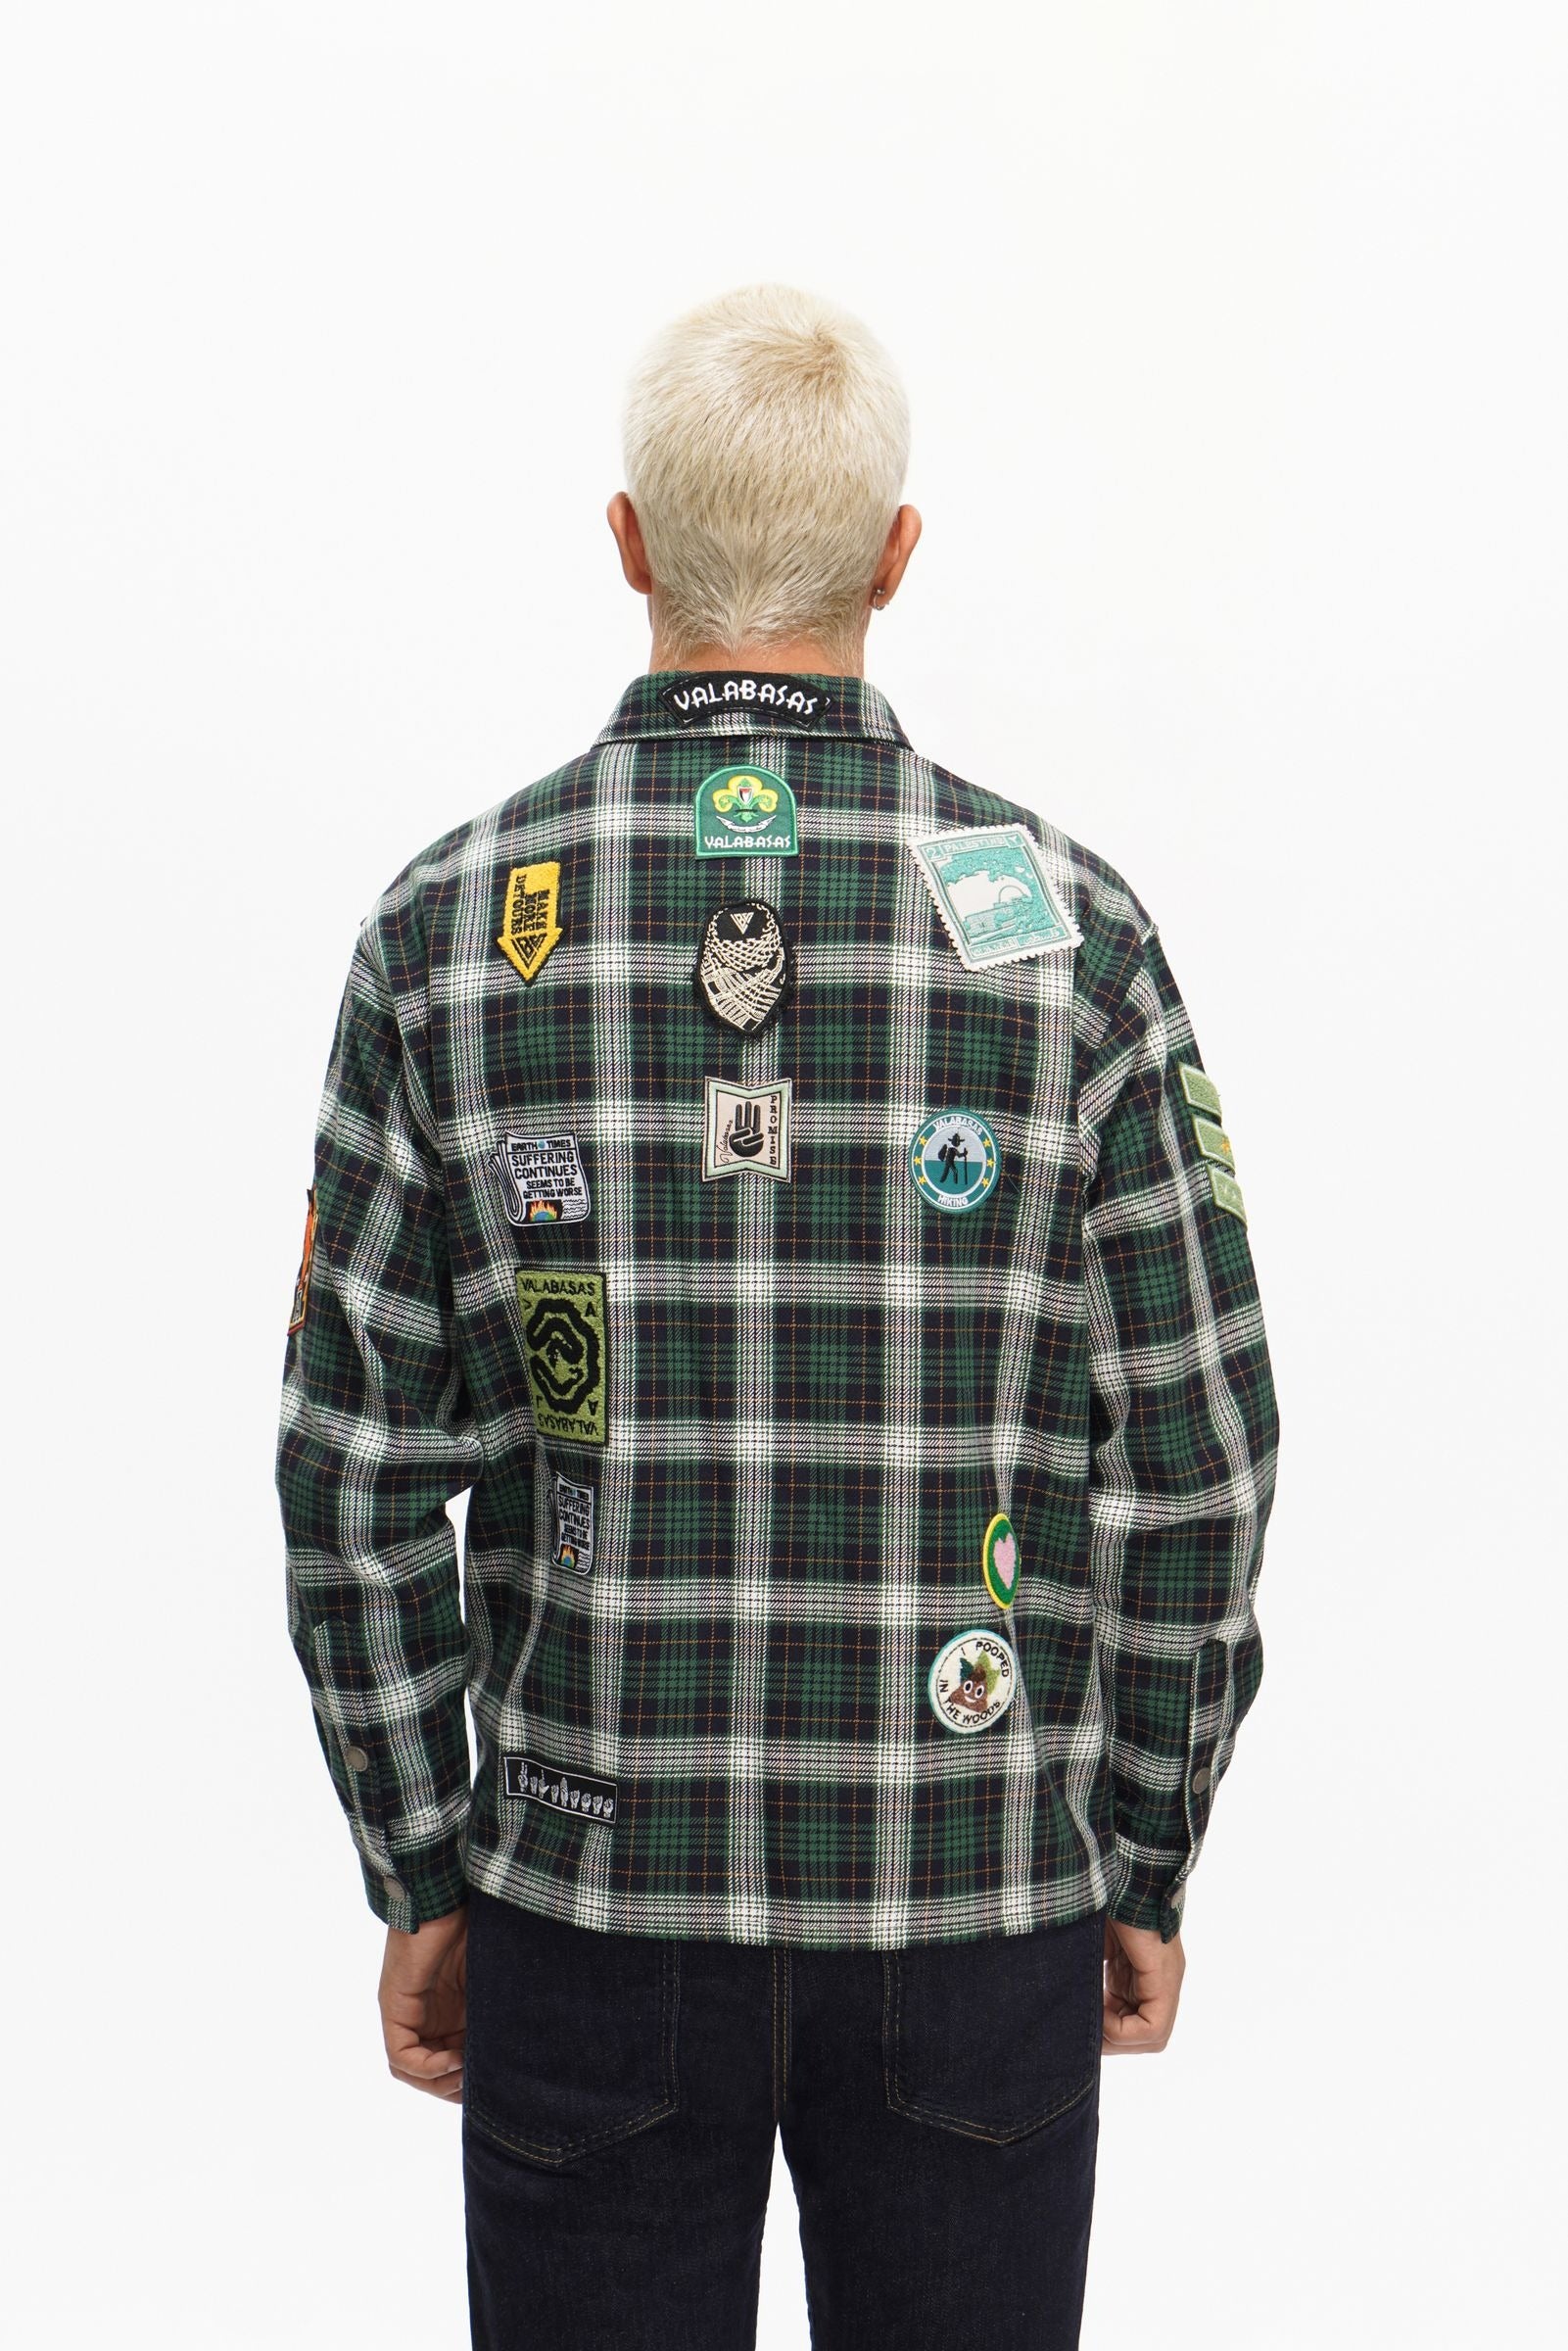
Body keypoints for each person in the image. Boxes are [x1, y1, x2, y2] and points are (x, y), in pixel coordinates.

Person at [275, 282, 1279, 2351]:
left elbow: (354, 1480)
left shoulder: (444, 929)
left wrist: (422, 1868)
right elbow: (1198, 1460)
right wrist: (1141, 1853)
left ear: (628, 540)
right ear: (895, 559)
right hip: (975, 1903)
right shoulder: (1077, 938)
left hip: (587, 1909)